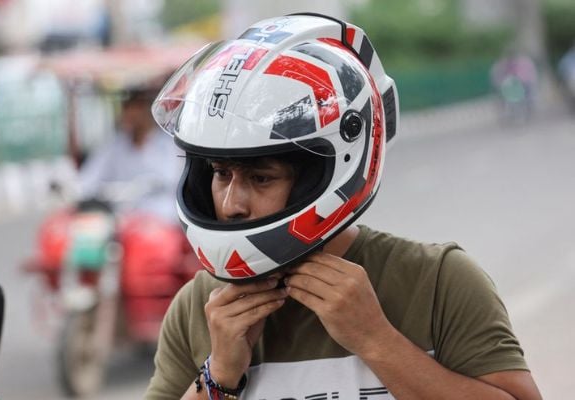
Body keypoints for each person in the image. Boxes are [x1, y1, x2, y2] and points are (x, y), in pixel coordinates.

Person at [145, 13, 542, 399]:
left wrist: (376, 340)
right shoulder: (200, 307)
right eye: (220, 174)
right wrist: (219, 377)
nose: (231, 204)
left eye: (261, 178)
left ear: (326, 173)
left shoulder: (436, 282)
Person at [77, 82, 183, 223]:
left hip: (161, 218)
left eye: (133, 106)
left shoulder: (169, 145)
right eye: (125, 106)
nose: (126, 113)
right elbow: (89, 179)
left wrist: (146, 186)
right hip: (120, 219)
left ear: (147, 108)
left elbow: (173, 180)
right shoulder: (114, 145)